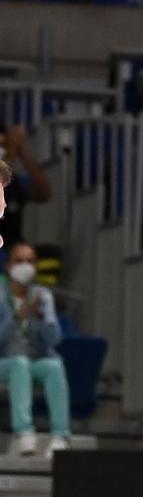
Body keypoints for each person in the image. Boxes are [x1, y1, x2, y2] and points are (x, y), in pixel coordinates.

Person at [0, 242, 71, 457]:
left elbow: (54, 340)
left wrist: (41, 320)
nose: (25, 266)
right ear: (8, 266)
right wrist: (14, 319)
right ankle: (24, 432)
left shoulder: (42, 295)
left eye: (30, 261)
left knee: (54, 365)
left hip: (32, 360)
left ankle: (60, 435)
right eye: (19, 261)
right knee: (19, 364)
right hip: (5, 361)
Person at [0, 124, 52, 248]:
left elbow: (44, 193)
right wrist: (12, 148)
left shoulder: (16, 182)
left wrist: (23, 150)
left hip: (13, 246)